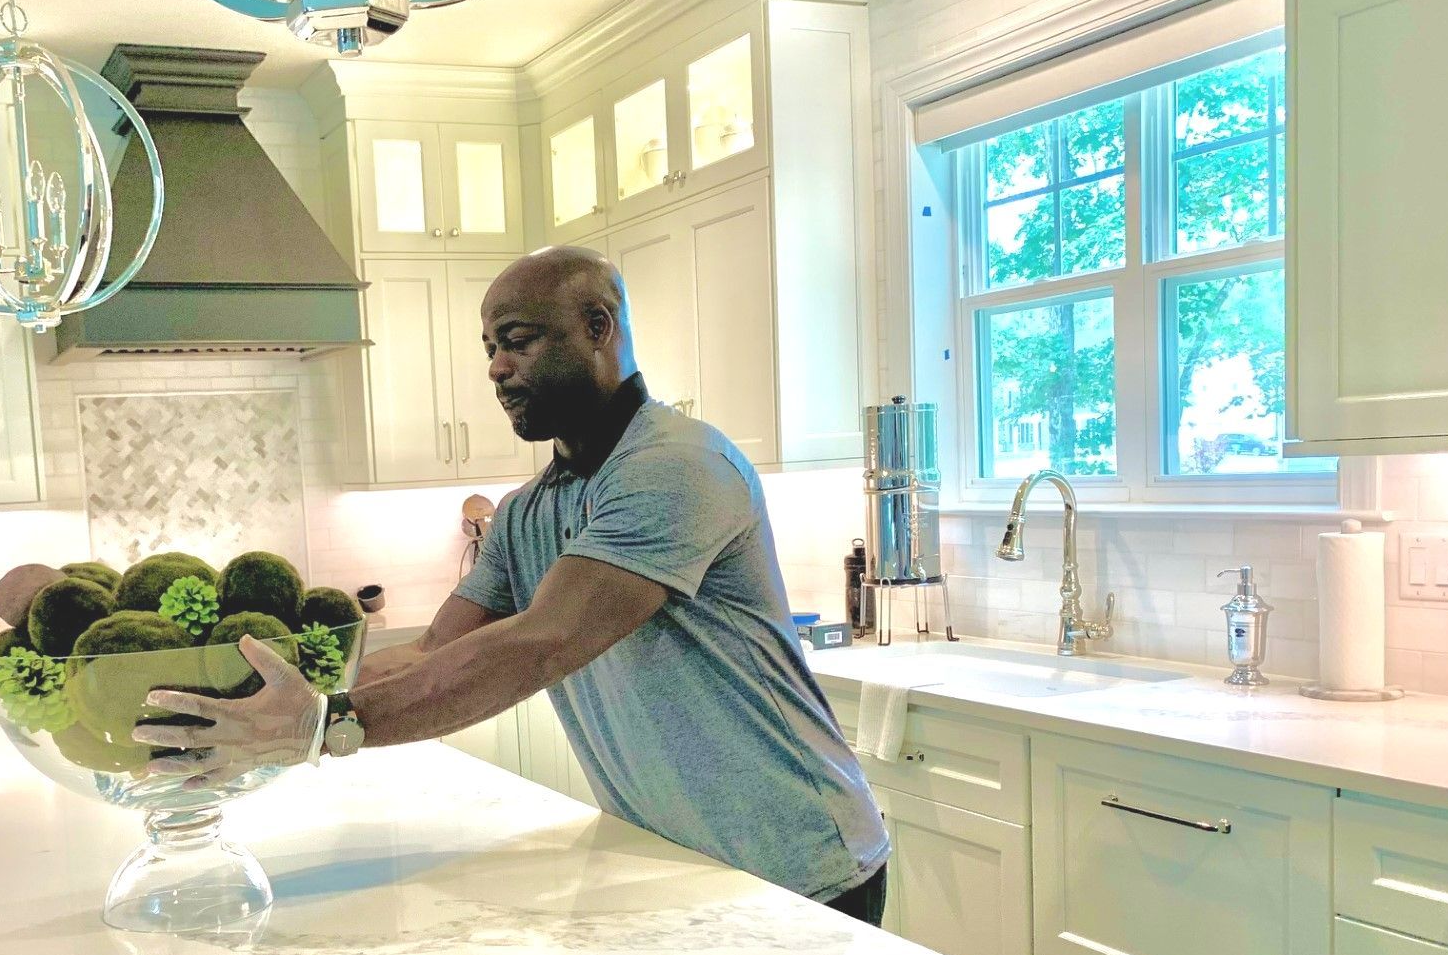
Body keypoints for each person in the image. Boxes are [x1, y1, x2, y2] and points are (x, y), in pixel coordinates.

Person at [135, 247, 890, 921]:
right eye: (491, 348)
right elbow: (433, 653)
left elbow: (541, 643)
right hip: (683, 866)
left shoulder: (676, 466)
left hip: (802, 863)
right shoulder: (529, 512)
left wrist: (324, 725)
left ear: (599, 326)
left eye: (518, 342)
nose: (496, 368)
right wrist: (239, 706)